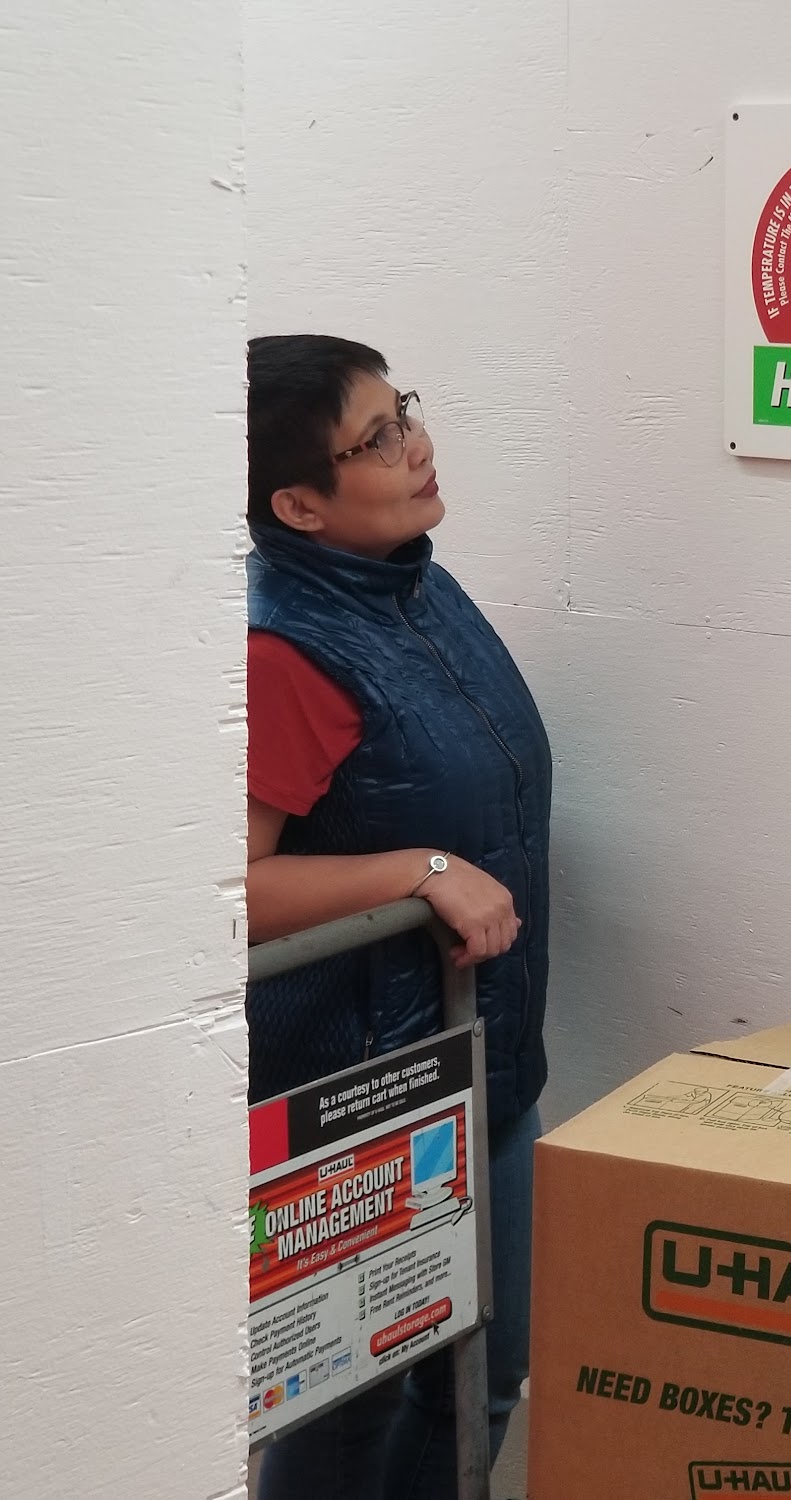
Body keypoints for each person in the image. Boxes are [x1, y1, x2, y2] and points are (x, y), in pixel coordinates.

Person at [245, 334, 552, 1499]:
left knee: (483, 1380)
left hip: (484, 1060)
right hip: (363, 1095)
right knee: (350, 1397)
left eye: (404, 412)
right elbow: (225, 895)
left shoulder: (414, 578)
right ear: (298, 505)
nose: (415, 444)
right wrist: (419, 868)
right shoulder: (283, 651)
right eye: (374, 439)